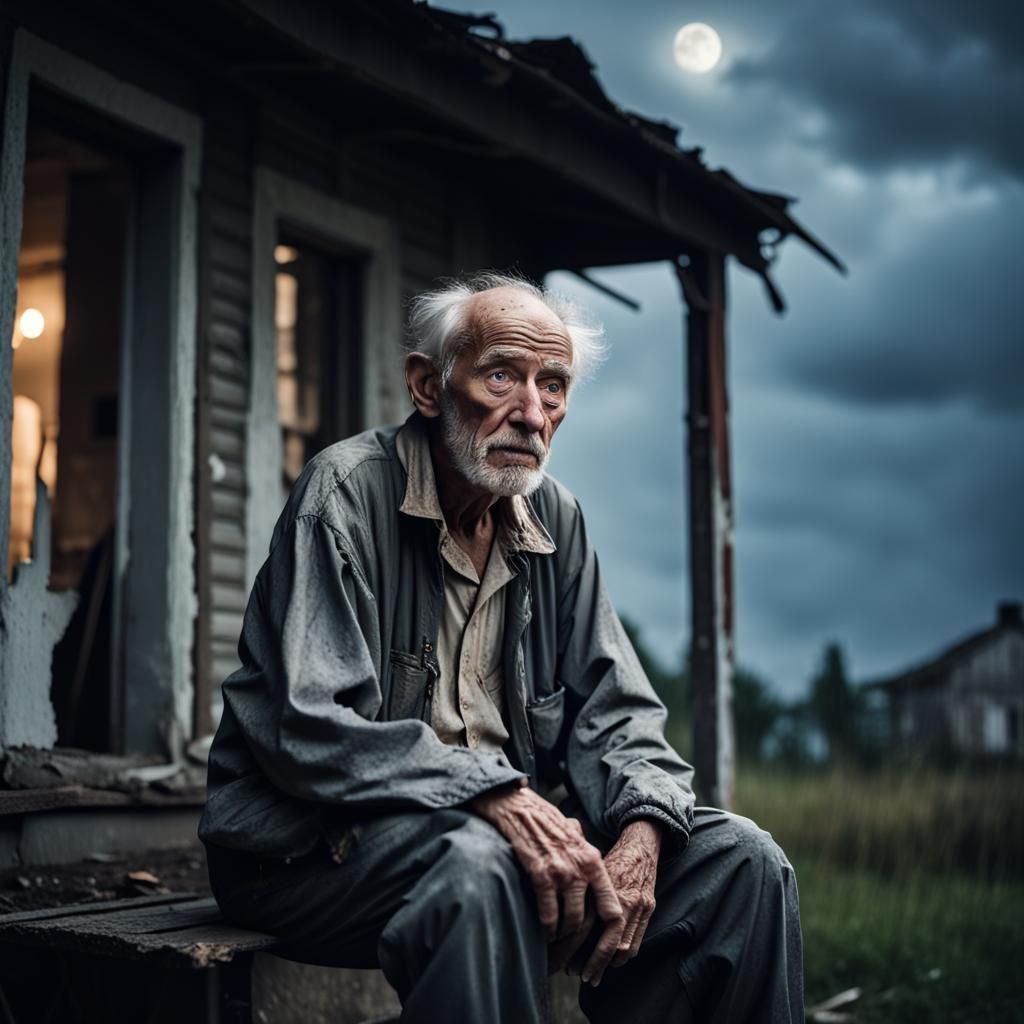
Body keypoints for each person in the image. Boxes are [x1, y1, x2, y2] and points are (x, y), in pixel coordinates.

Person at [198, 272, 803, 1023]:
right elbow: (309, 726)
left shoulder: (555, 518)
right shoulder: (345, 493)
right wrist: (488, 790)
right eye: (500, 376)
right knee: (484, 864)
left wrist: (645, 829)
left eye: (553, 387)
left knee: (743, 862)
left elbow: (620, 716)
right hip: (306, 852)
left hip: (498, 835)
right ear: (428, 386)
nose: (531, 413)